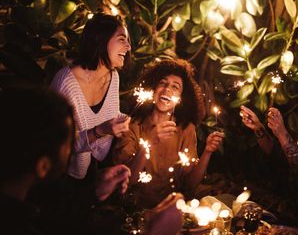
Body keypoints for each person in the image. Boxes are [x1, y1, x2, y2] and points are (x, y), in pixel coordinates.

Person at [0, 86, 184, 235]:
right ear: (43, 166)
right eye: (69, 141)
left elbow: (56, 218)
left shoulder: (29, 205)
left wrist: (94, 192)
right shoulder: (16, 226)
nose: (75, 145)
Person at [113, 59, 224, 208]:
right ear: (153, 88)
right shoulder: (132, 125)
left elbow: (190, 185)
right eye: (163, 83)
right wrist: (149, 142)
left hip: (169, 210)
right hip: (134, 209)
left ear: (181, 98)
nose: (167, 90)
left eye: (175, 87)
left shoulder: (186, 129)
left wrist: (208, 152)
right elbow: (127, 180)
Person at [51, 13, 131, 180]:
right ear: (101, 40)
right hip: (61, 177)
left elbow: (110, 116)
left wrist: (130, 120)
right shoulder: (65, 83)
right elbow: (56, 143)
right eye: (122, 39)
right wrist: (100, 131)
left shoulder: (113, 76)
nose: (129, 47)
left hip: (96, 171)